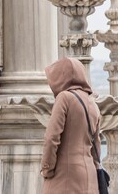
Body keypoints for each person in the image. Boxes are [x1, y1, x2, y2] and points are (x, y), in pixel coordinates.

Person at [41, 57, 103, 194]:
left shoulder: (64, 98)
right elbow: (96, 145)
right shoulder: (92, 102)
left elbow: (51, 138)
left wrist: (47, 168)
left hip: (65, 176)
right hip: (89, 177)